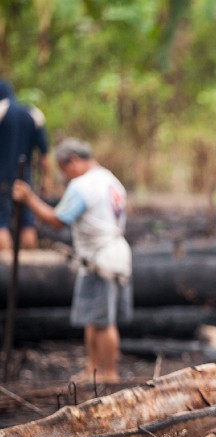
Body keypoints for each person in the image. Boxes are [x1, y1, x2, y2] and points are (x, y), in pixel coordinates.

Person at [13, 138, 133, 383]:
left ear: (74, 161)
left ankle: (109, 374)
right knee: (94, 318)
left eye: (64, 169)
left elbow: (58, 221)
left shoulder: (84, 185)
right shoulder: (110, 179)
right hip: (103, 254)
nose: (65, 176)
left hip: (103, 257)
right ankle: (92, 370)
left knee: (104, 320)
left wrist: (29, 198)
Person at [0, 78, 52, 251]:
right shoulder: (32, 114)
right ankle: (29, 263)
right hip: (24, 178)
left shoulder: (1, 112)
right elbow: (44, 154)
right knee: (27, 221)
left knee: (1, 222)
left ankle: (5, 269)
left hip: (2, 177)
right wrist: (47, 178)